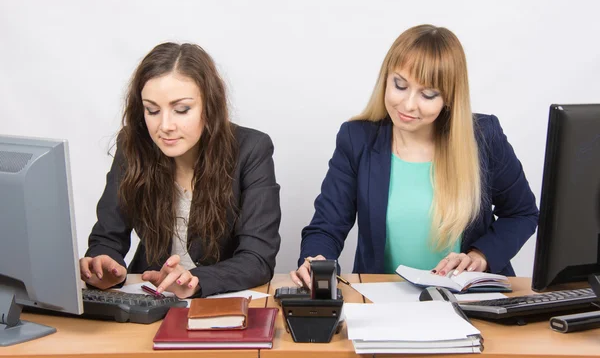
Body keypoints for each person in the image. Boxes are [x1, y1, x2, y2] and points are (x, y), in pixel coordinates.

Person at [291, 24, 539, 288]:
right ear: (385, 79)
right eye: (400, 85)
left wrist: (480, 256)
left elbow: (522, 213)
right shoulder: (357, 139)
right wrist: (316, 259)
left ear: (449, 98)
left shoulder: (484, 137)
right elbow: (327, 226)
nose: (408, 105)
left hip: (470, 297)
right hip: (384, 299)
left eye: (428, 94)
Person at [80, 42, 281, 298]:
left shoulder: (251, 149)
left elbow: (257, 258)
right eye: (152, 110)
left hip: (219, 299)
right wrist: (102, 264)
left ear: (209, 107)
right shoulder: (133, 145)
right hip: (150, 298)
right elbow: (107, 237)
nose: (165, 125)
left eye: (181, 109)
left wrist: (195, 280)